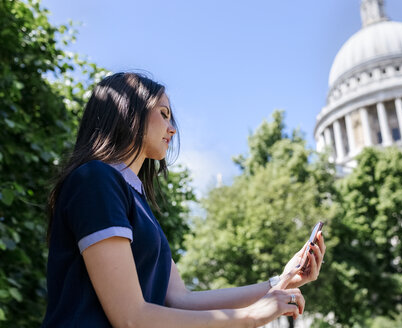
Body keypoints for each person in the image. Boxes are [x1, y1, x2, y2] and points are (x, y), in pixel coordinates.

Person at [42, 72, 326, 327]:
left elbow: (181, 299)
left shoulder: (135, 200)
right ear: (128, 111)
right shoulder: (95, 180)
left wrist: (281, 281)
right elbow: (131, 317)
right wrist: (252, 316)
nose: (172, 128)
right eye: (163, 113)